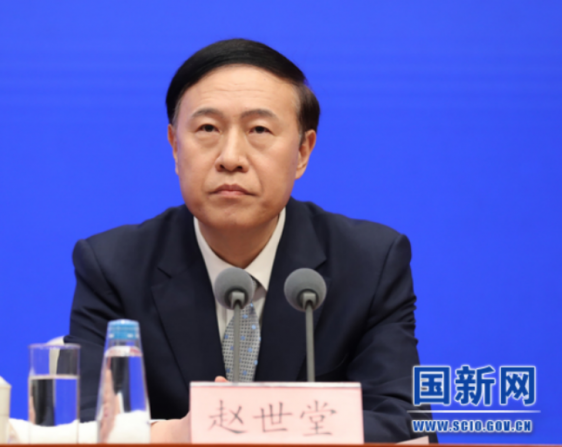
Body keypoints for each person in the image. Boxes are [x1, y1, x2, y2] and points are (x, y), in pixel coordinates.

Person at [64, 38, 434, 443]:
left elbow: (407, 422)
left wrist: (248, 424)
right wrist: (174, 435)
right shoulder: (113, 267)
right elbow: (81, 427)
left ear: (302, 151)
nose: (231, 157)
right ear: (174, 146)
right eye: (208, 128)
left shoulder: (370, 262)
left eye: (259, 129)